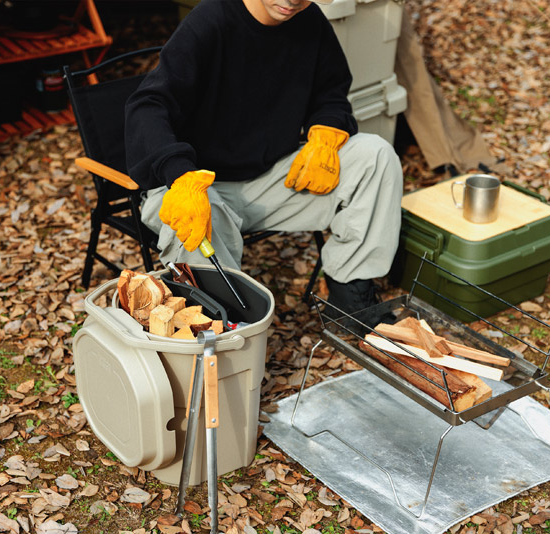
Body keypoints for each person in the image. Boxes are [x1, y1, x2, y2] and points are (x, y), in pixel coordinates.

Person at [125, 0, 403, 316]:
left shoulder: (309, 20)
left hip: (270, 178)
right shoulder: (211, 20)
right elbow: (147, 106)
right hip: (193, 187)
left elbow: (331, 93)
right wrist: (179, 173)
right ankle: (227, 325)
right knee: (199, 219)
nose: (293, 0)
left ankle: (350, 291)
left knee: (375, 156)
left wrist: (326, 133)